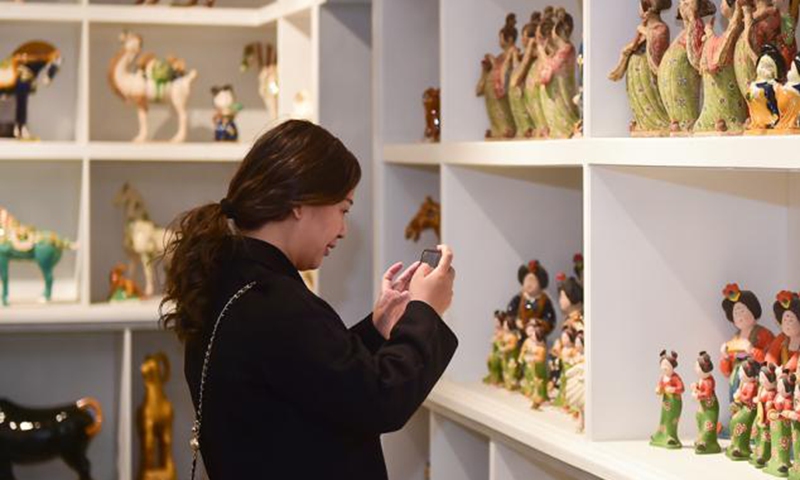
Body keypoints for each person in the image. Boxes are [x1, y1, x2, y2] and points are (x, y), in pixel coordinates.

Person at [160, 120, 458, 479]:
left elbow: (311, 378)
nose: (344, 230)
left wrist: (378, 326)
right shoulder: (275, 302)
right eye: (343, 210)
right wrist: (425, 311)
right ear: (301, 203)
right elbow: (381, 400)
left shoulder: (230, 280)